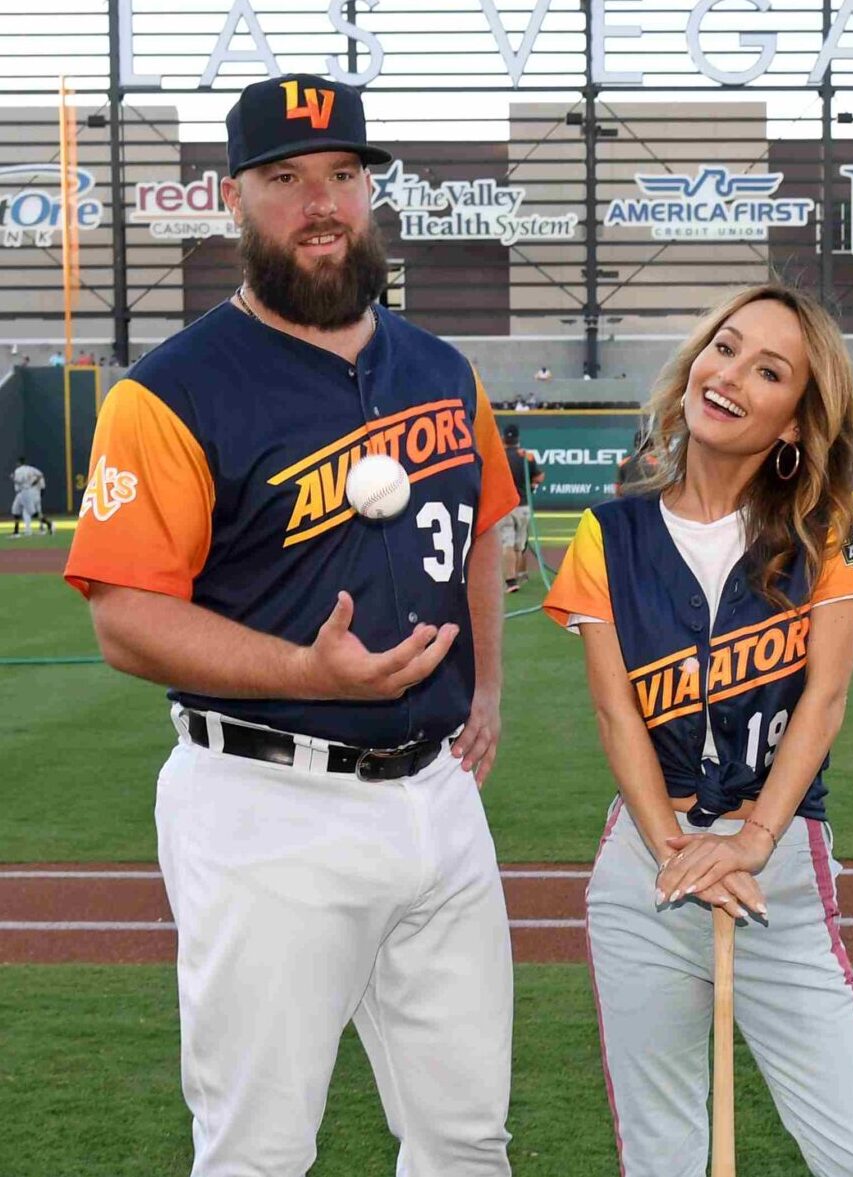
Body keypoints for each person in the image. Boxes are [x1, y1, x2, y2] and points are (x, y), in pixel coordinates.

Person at [62, 74, 519, 1176]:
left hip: (437, 802)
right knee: (260, 1149)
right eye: (286, 179)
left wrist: (490, 692)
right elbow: (125, 617)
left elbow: (487, 530)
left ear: (370, 194)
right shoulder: (169, 392)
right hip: (266, 803)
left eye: (344, 176)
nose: (321, 202)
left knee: (465, 1136)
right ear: (236, 199)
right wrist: (311, 673)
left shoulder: (440, 368)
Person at [543, 284, 853, 1177]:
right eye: (724, 348)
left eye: (768, 370)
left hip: (776, 867)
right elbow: (615, 712)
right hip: (647, 870)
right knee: (663, 1157)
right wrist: (672, 849)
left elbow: (823, 701)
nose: (731, 375)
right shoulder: (607, 532)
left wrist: (748, 839)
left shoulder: (835, 528)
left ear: (794, 422)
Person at [499, 423, 544, 592]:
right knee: (520, 545)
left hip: (505, 506)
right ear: (518, 438)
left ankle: (511, 581)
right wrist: (531, 485)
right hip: (523, 505)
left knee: (507, 544)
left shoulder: (499, 455)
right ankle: (518, 575)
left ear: (504, 438)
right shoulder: (527, 456)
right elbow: (539, 477)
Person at [10, 456, 48, 537]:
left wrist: (13, 478)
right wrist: (33, 483)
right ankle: (16, 532)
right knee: (15, 510)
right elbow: (40, 475)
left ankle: (49, 524)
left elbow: (19, 481)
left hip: (24, 492)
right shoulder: (30, 468)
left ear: (19, 463)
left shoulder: (18, 470)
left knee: (31, 513)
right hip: (24, 492)